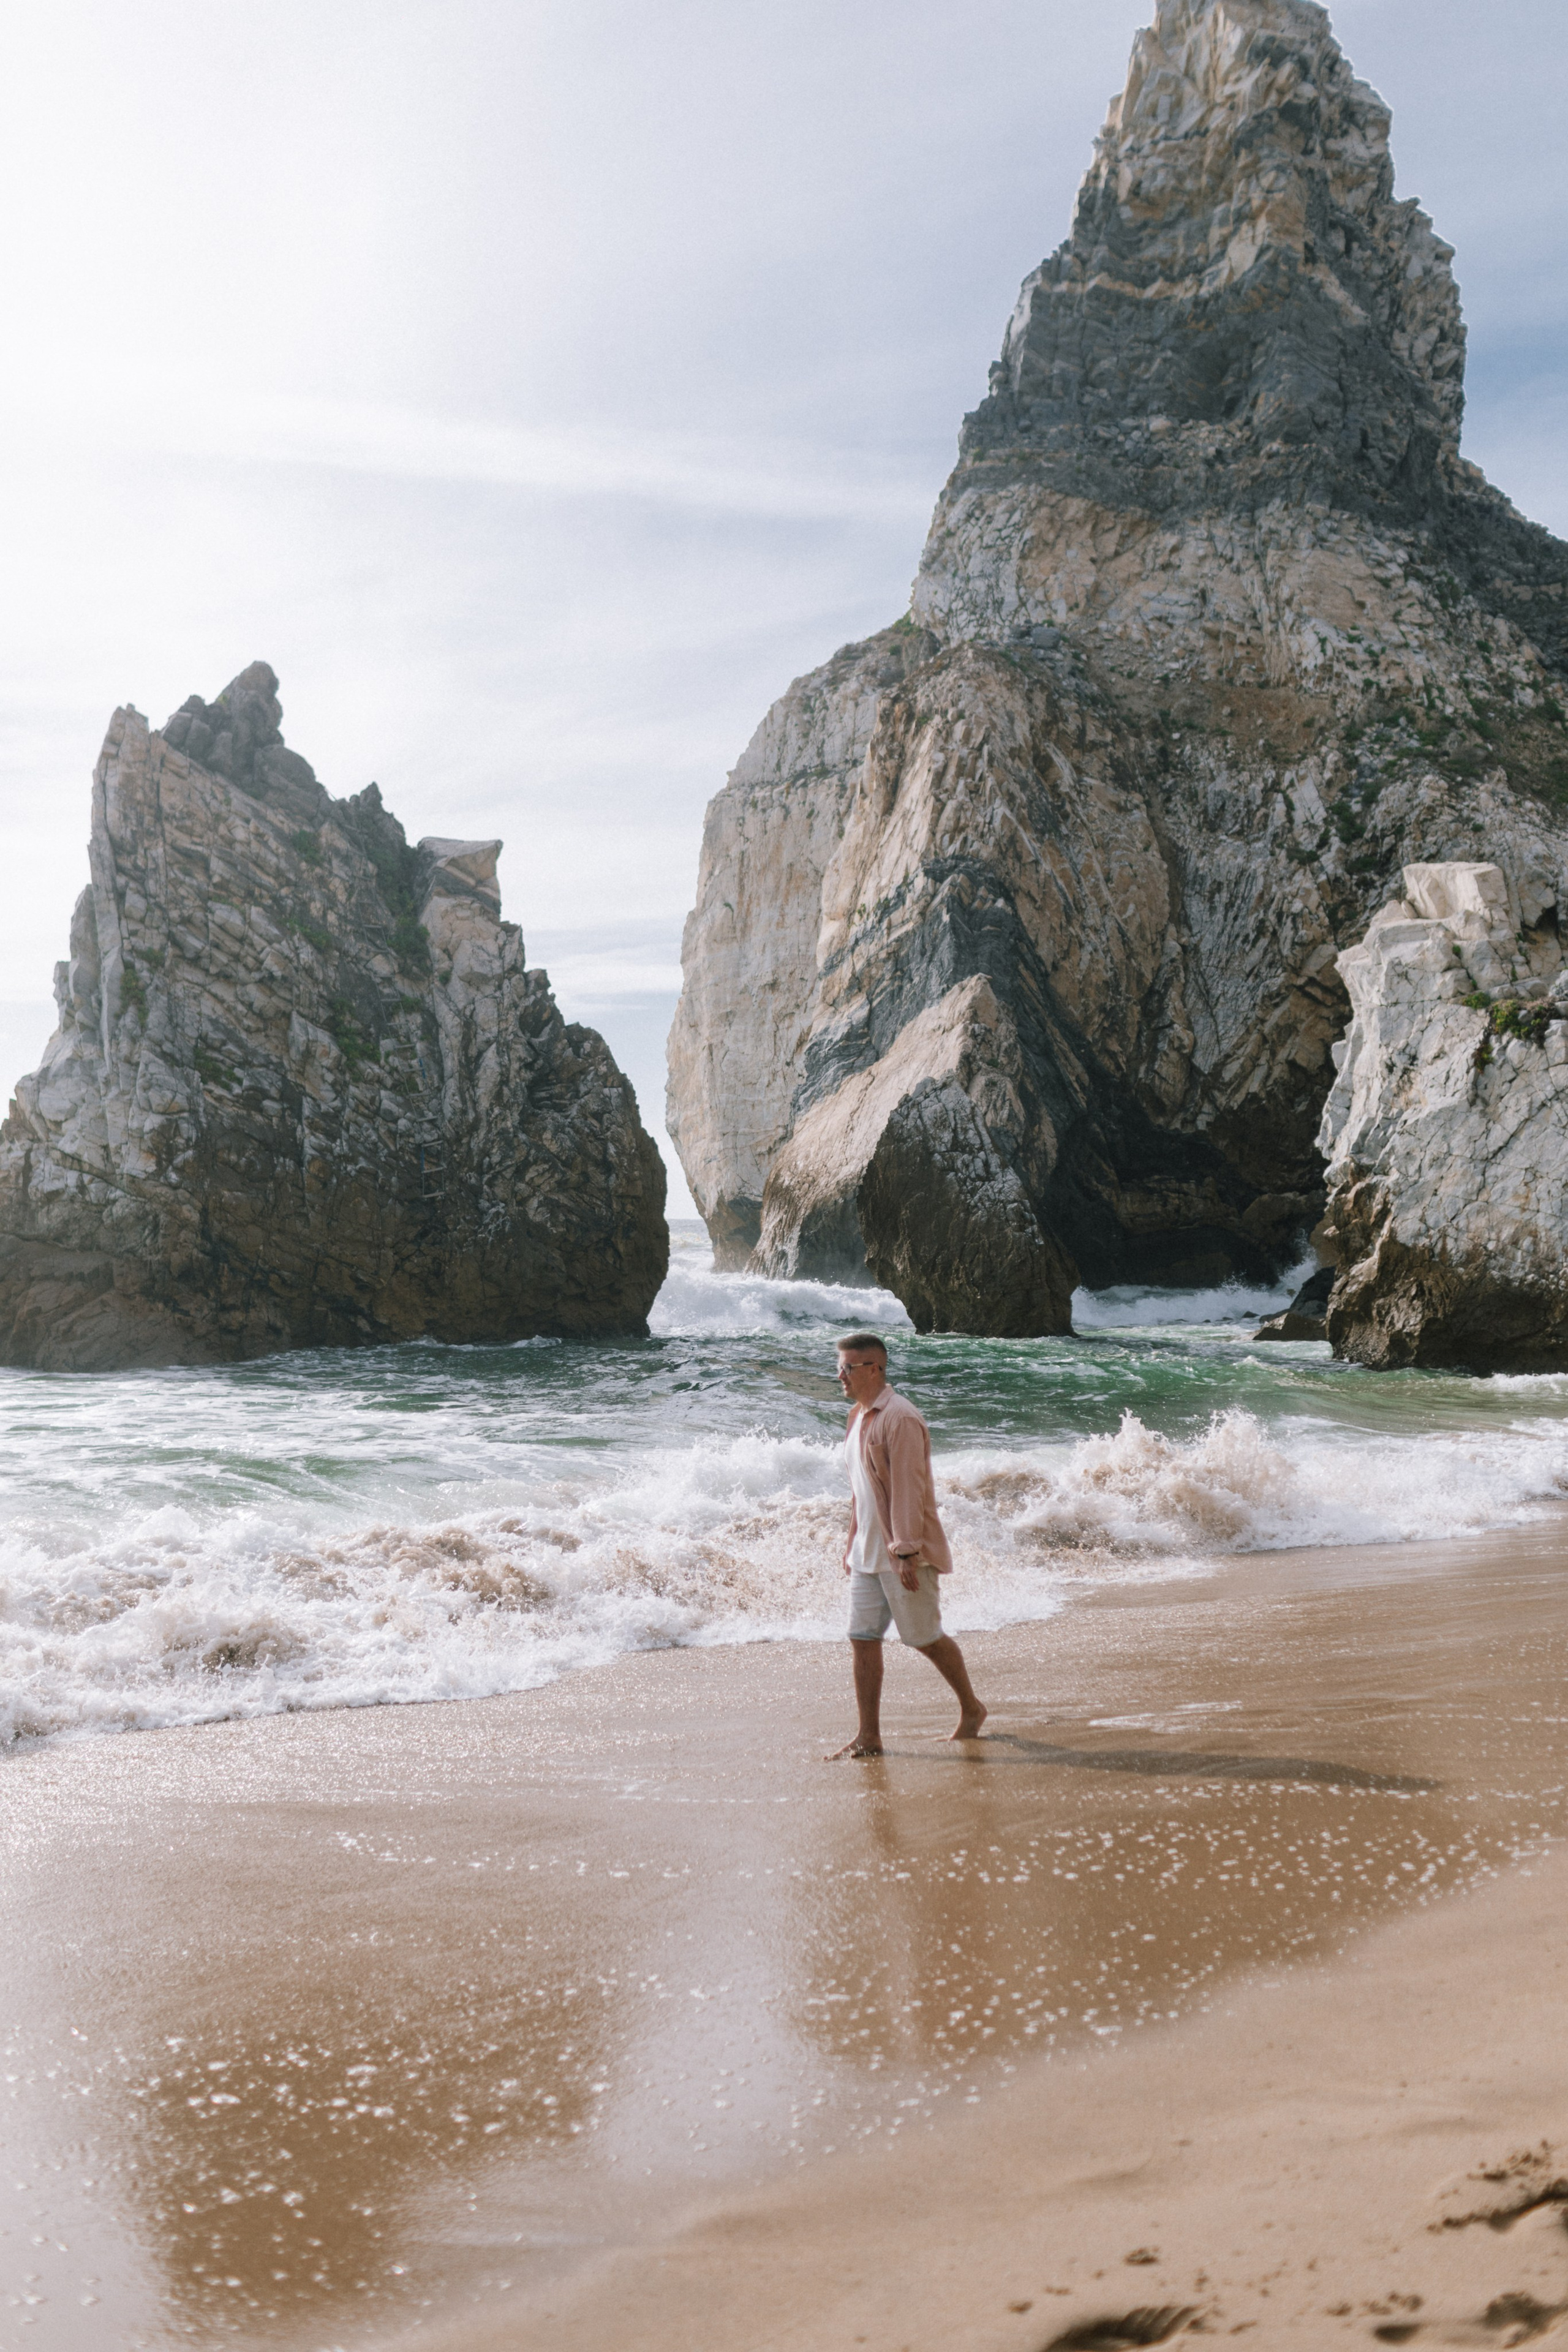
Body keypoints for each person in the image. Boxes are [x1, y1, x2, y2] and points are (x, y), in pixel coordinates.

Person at [826, 1332, 987, 1760]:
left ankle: (972, 1709)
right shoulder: (856, 1417)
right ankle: (869, 1735)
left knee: (923, 1639)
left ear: (875, 1369)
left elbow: (908, 1492)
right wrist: (851, 1543)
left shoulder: (901, 1419)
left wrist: (905, 1551)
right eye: (838, 1366)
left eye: (848, 1367)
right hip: (867, 1554)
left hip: (902, 1553)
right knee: (861, 1638)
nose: (839, 1375)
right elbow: (862, 1490)